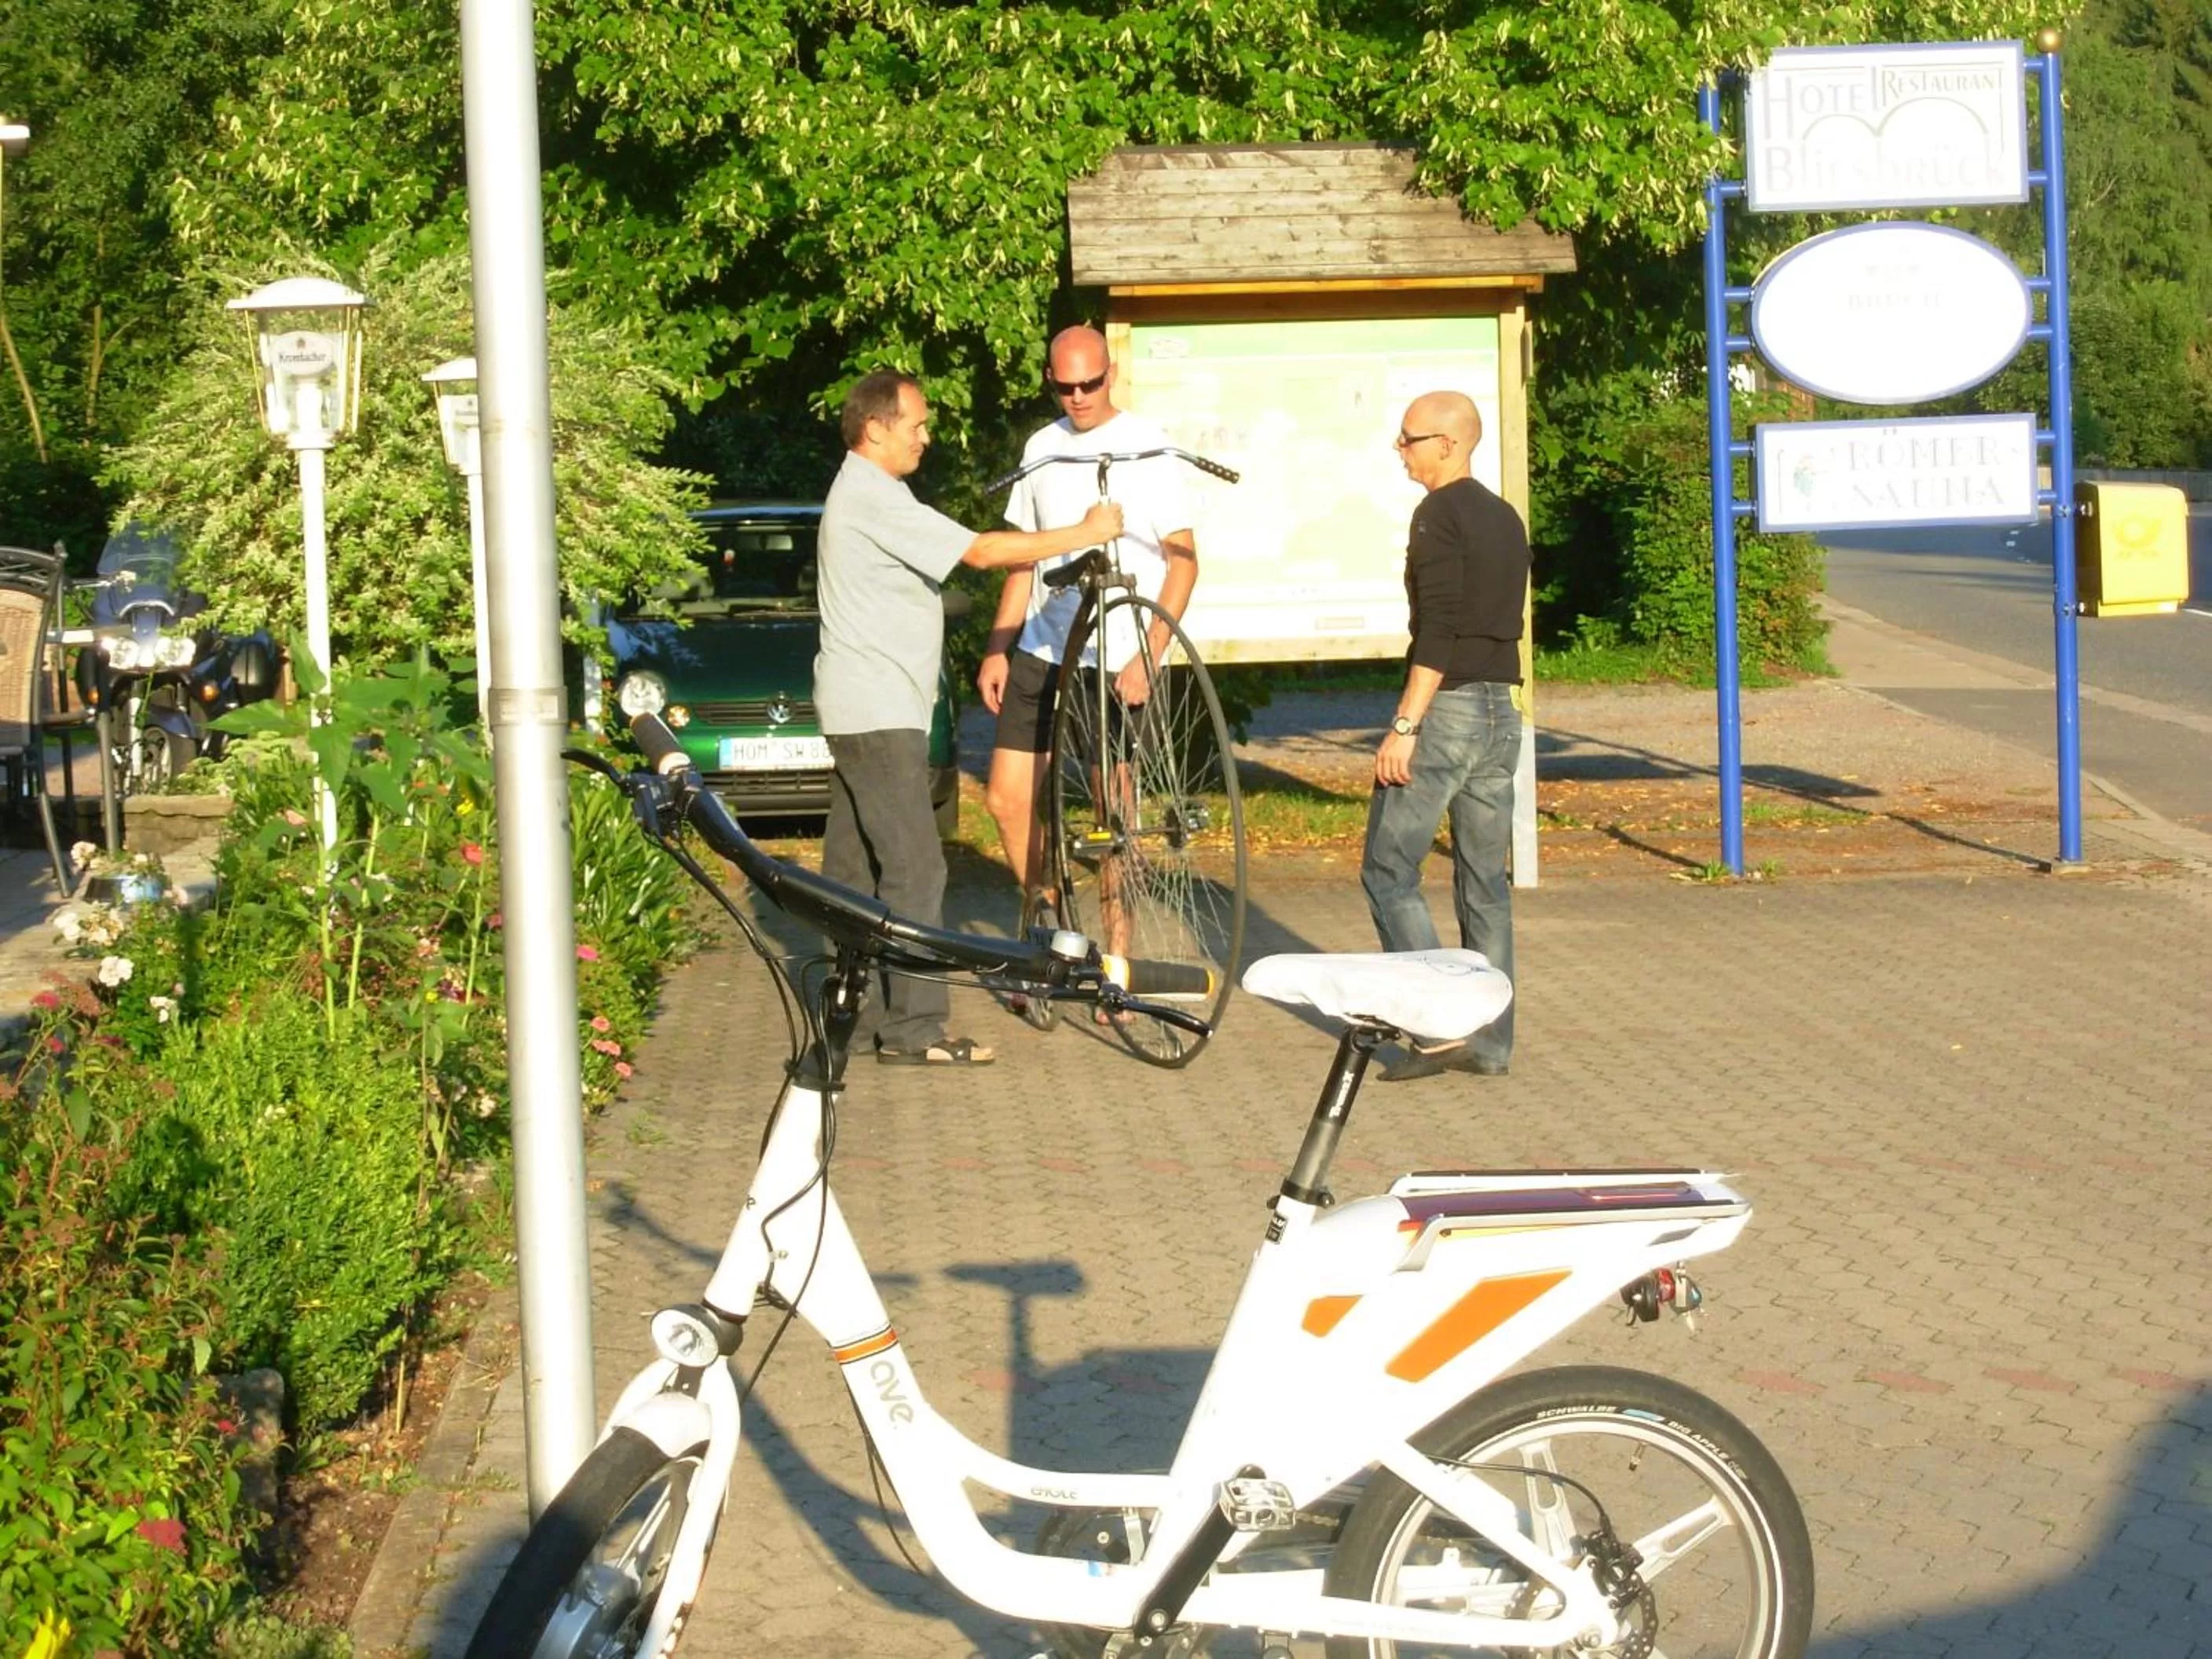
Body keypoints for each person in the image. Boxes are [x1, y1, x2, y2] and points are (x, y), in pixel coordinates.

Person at [815, 368, 1123, 1066]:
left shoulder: (870, 493)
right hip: (878, 710)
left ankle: (851, 1019)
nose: (927, 436)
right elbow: (983, 552)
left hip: (863, 706)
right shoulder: (871, 495)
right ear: (877, 428)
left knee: (852, 873)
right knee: (916, 870)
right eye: (917, 424)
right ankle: (915, 1030)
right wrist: (1082, 531)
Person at [977, 325, 1199, 935]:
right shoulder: (1040, 447)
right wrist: (999, 645)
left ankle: (1117, 957)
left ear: (1111, 374)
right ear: (1050, 379)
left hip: (1117, 651)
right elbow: (1025, 557)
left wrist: (1150, 655)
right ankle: (1049, 917)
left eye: (1091, 384)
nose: (1078, 397)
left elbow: (1184, 561)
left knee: (1113, 816)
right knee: (1007, 798)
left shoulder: (1146, 446)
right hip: (1043, 647)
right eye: (1066, 386)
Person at [1360, 390, 1529, 1083]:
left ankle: (1436, 1030)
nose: (1399, 450)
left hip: (1449, 712)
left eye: (1408, 438)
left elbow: (1440, 627)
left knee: (1388, 870)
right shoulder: (1504, 517)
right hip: (1500, 714)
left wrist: (1405, 725)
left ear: (1449, 444)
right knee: (1484, 883)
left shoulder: (1438, 515)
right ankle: (1491, 1043)